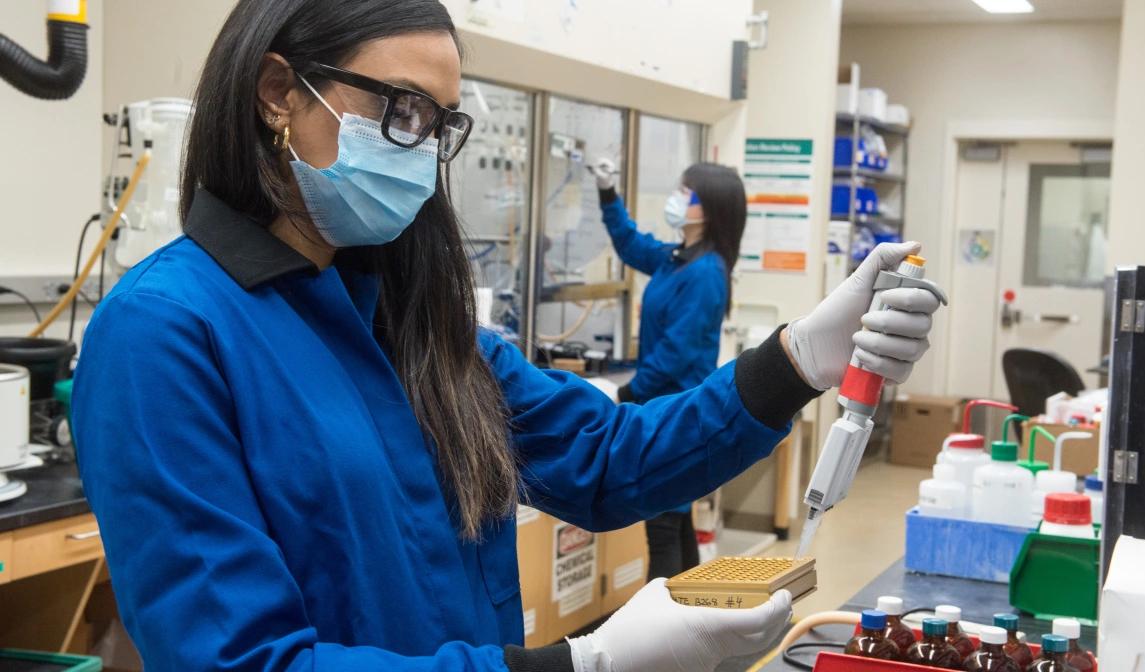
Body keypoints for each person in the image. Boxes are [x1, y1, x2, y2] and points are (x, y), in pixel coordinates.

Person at [71, 1, 941, 671]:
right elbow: (239, 661)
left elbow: (606, 460)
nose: (421, 151)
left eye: (440, 123)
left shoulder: (412, 318)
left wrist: (799, 361)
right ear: (277, 92)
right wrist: (583, 660)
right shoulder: (166, 334)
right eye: (401, 111)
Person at [589, 159, 745, 580]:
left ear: (709, 208)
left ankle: (664, 636)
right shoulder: (677, 258)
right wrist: (608, 193)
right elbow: (630, 244)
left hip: (677, 413)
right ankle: (692, 621)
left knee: (662, 527)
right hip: (665, 406)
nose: (676, 198)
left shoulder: (705, 272)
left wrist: (624, 393)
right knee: (674, 523)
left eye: (685, 192)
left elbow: (676, 353)